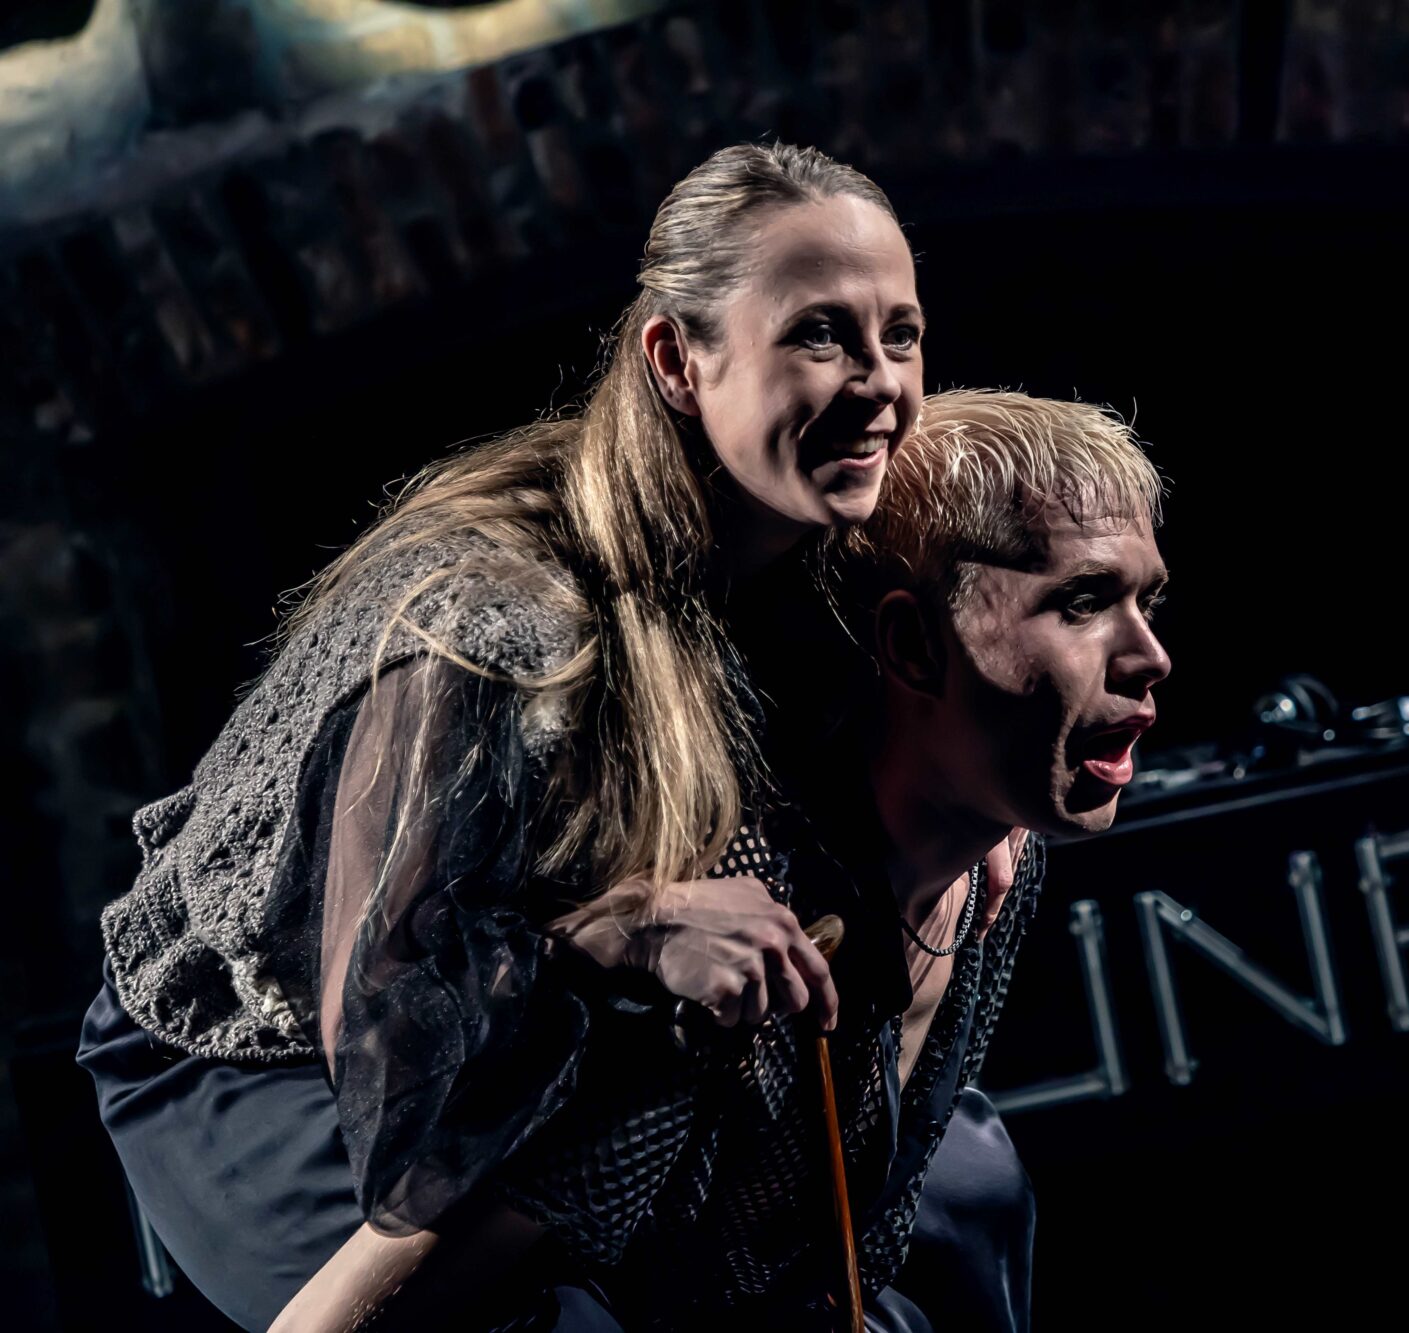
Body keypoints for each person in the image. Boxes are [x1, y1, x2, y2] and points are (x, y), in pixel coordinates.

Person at [79, 138, 939, 1330]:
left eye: (901, 334)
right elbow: (392, 1030)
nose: (881, 380)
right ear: (676, 360)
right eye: (820, 335)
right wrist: (625, 930)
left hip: (540, 1006)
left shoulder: (806, 556)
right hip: (268, 1046)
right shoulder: (489, 616)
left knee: (956, 1200)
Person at [275, 389, 1173, 1332]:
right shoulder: (734, 925)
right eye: (1082, 603)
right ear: (911, 643)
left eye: (1146, 599)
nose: (1151, 656)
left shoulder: (999, 860)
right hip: (298, 1080)